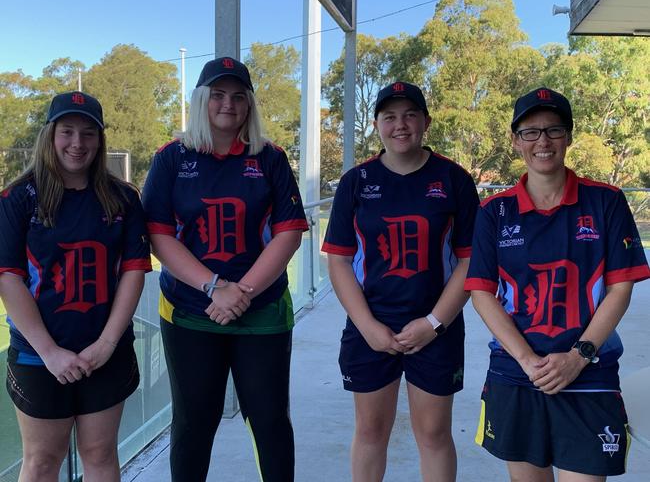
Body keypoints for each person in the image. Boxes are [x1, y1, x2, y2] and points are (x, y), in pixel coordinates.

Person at [465, 87, 650, 481]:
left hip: (590, 372)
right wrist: (527, 360)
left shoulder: (606, 201)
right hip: (517, 373)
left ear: (568, 136)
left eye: (553, 130)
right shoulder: (494, 211)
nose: (542, 141)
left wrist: (579, 355)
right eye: (530, 132)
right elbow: (482, 292)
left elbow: (620, 288)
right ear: (516, 142)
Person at [142, 56, 308, 482]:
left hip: (263, 311)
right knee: (194, 423)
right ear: (201, 100)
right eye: (217, 94)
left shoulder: (270, 158)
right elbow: (160, 236)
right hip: (190, 312)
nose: (227, 104)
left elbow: (289, 231)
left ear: (250, 105)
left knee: (270, 421)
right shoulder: (171, 158)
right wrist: (215, 288)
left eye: (238, 96)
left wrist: (243, 292)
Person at [322, 81, 479, 482]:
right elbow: (339, 261)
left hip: (435, 328)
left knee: (433, 433)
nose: (400, 125)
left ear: (425, 121)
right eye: (389, 116)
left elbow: (469, 261)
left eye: (410, 114)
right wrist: (369, 326)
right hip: (370, 327)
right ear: (376, 125)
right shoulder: (356, 182)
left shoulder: (453, 179)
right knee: (371, 431)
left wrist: (433, 323)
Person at [0, 91, 152, 482]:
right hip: (38, 356)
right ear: (50, 135)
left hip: (106, 352)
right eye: (67, 131)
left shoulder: (123, 198)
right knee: (42, 460)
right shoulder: (17, 198)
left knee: (100, 454)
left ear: (100, 140)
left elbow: (134, 270)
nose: (77, 143)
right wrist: (49, 352)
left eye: (88, 133)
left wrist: (105, 345)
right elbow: (8, 277)